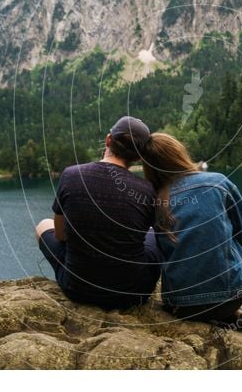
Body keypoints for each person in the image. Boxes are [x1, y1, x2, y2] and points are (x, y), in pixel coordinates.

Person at [142, 133, 242, 338]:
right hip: (230, 297)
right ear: (180, 154)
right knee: (228, 237)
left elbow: (163, 250)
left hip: (181, 306)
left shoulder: (156, 202)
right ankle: (241, 310)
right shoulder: (217, 182)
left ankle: (220, 311)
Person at [35, 116, 161, 310]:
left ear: (108, 140)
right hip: (133, 293)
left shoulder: (71, 174)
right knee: (154, 233)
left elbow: (61, 235)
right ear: (138, 157)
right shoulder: (147, 190)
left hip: (78, 288)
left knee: (43, 225)